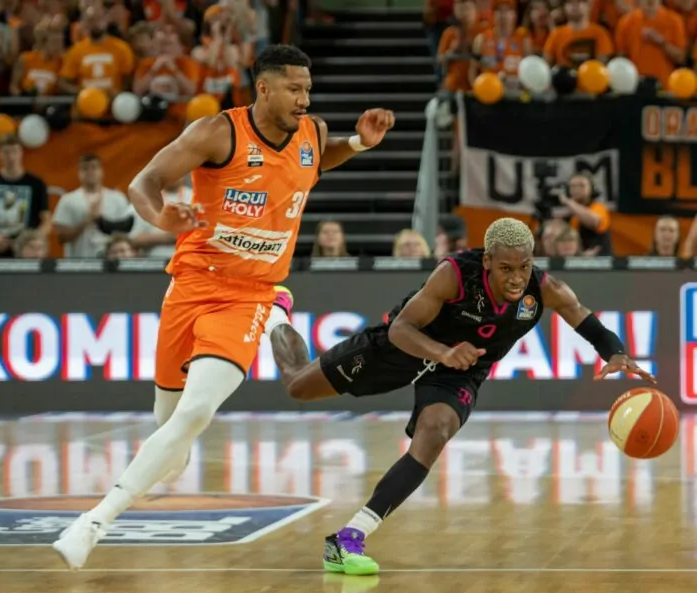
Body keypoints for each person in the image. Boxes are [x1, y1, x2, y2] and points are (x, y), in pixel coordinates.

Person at [52, 43, 395, 570]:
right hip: (191, 284)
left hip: (250, 294)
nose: (304, 99)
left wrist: (357, 143)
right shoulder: (218, 133)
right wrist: (162, 217)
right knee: (170, 426)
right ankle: (171, 450)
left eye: (308, 89)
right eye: (294, 89)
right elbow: (144, 183)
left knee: (195, 412)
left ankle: (94, 522)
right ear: (264, 88)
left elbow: (315, 159)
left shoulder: (313, 132)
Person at [264, 217, 655, 576]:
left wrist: (615, 352)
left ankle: (348, 538)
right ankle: (275, 311)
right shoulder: (454, 275)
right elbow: (401, 329)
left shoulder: (543, 289)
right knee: (298, 385)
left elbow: (584, 318)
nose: (517, 278)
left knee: (436, 431)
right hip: (405, 348)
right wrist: (442, 352)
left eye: (524, 267)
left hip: (461, 370)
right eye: (506, 268)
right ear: (487, 261)